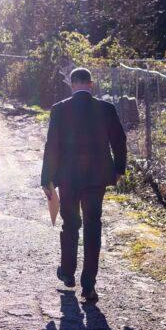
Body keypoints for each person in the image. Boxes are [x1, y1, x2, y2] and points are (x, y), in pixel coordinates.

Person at [40, 68, 126, 303]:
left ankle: (68, 272)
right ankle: (89, 285)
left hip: (68, 177)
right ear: (91, 84)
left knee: (70, 223)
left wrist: (46, 178)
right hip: (96, 178)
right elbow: (119, 140)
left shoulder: (59, 109)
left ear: (71, 84)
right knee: (92, 226)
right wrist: (119, 169)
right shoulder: (106, 109)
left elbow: (52, 146)